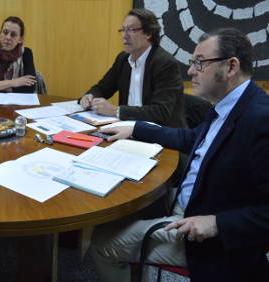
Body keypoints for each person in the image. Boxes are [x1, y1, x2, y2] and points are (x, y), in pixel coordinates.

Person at [89, 28, 269, 282]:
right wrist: (136, 128)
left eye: (200, 63)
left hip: (212, 240)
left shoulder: (261, 119)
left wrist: (217, 223)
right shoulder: (230, 104)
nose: (191, 71)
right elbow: (194, 138)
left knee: (102, 241)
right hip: (192, 203)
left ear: (230, 67)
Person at [80, 8, 185, 127]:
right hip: (127, 129)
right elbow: (103, 88)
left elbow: (160, 112)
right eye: (123, 30)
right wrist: (89, 96)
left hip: (160, 134)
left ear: (148, 33)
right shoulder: (123, 59)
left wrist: (115, 110)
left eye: (131, 30)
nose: (125, 36)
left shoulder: (165, 63)